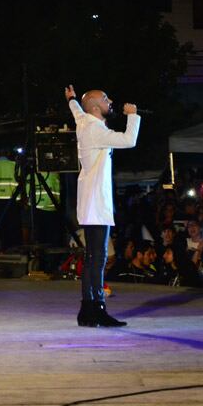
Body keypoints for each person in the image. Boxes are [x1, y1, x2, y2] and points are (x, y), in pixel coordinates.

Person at [66, 84, 141, 327]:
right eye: (106, 99)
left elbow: (78, 112)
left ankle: (88, 309)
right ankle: (96, 308)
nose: (111, 101)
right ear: (96, 107)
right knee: (97, 259)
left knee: (92, 258)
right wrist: (132, 115)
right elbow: (129, 140)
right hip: (96, 204)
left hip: (90, 202)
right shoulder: (95, 130)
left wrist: (72, 100)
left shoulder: (84, 122)